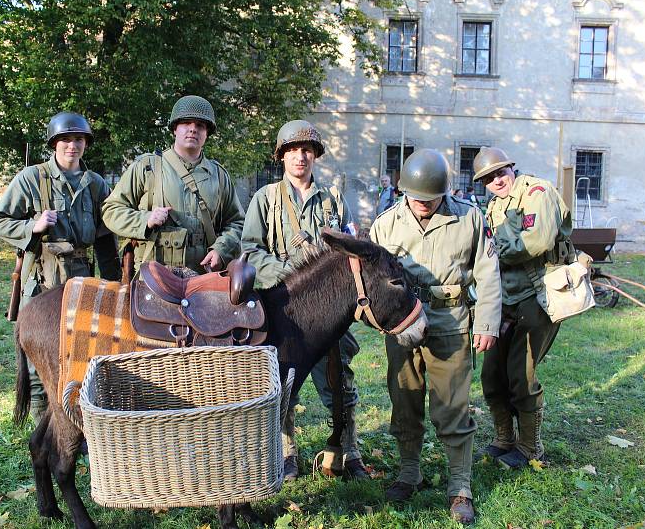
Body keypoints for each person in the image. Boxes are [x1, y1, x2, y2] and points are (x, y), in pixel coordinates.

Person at [370, 149, 501, 524]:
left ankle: (460, 486)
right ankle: (410, 471)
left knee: (452, 408)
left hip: (450, 322)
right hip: (402, 325)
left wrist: (487, 323)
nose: (422, 204)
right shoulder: (386, 224)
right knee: (405, 401)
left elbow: (488, 274)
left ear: (443, 192)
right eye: (415, 197)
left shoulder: (469, 218)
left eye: (430, 198)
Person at [241, 119, 370, 481]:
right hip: (284, 311)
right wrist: (286, 275)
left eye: (307, 150)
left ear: (315, 156)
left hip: (329, 312)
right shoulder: (265, 198)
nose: (301, 156)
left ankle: (349, 448)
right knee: (283, 382)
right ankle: (286, 452)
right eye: (293, 150)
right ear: (282, 156)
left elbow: (348, 250)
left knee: (340, 379)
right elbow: (249, 250)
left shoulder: (333, 199)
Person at [0, 112, 122, 423]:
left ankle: (78, 428)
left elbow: (104, 237)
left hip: (81, 282)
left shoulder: (96, 184)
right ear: (54, 143)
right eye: (65, 139)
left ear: (85, 144)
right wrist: (32, 226)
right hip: (42, 280)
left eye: (78, 139)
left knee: (83, 357)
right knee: (39, 364)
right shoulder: (31, 178)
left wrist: (115, 283)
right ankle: (43, 429)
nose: (72, 145)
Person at [472, 147, 572, 470]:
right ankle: (504, 438)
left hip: (538, 295)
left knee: (521, 373)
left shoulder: (537, 193)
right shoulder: (493, 207)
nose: (496, 181)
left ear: (511, 169)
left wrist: (495, 251)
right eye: (488, 178)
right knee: (491, 374)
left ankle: (530, 446)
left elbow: (539, 240)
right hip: (505, 299)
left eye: (500, 173)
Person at [102, 95, 244, 273]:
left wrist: (221, 250)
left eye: (200, 125)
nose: (193, 129)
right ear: (175, 128)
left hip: (202, 276)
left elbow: (237, 222)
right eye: (186, 123)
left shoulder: (219, 175)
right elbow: (111, 210)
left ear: (207, 133)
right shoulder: (147, 167)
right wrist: (145, 219)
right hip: (155, 274)